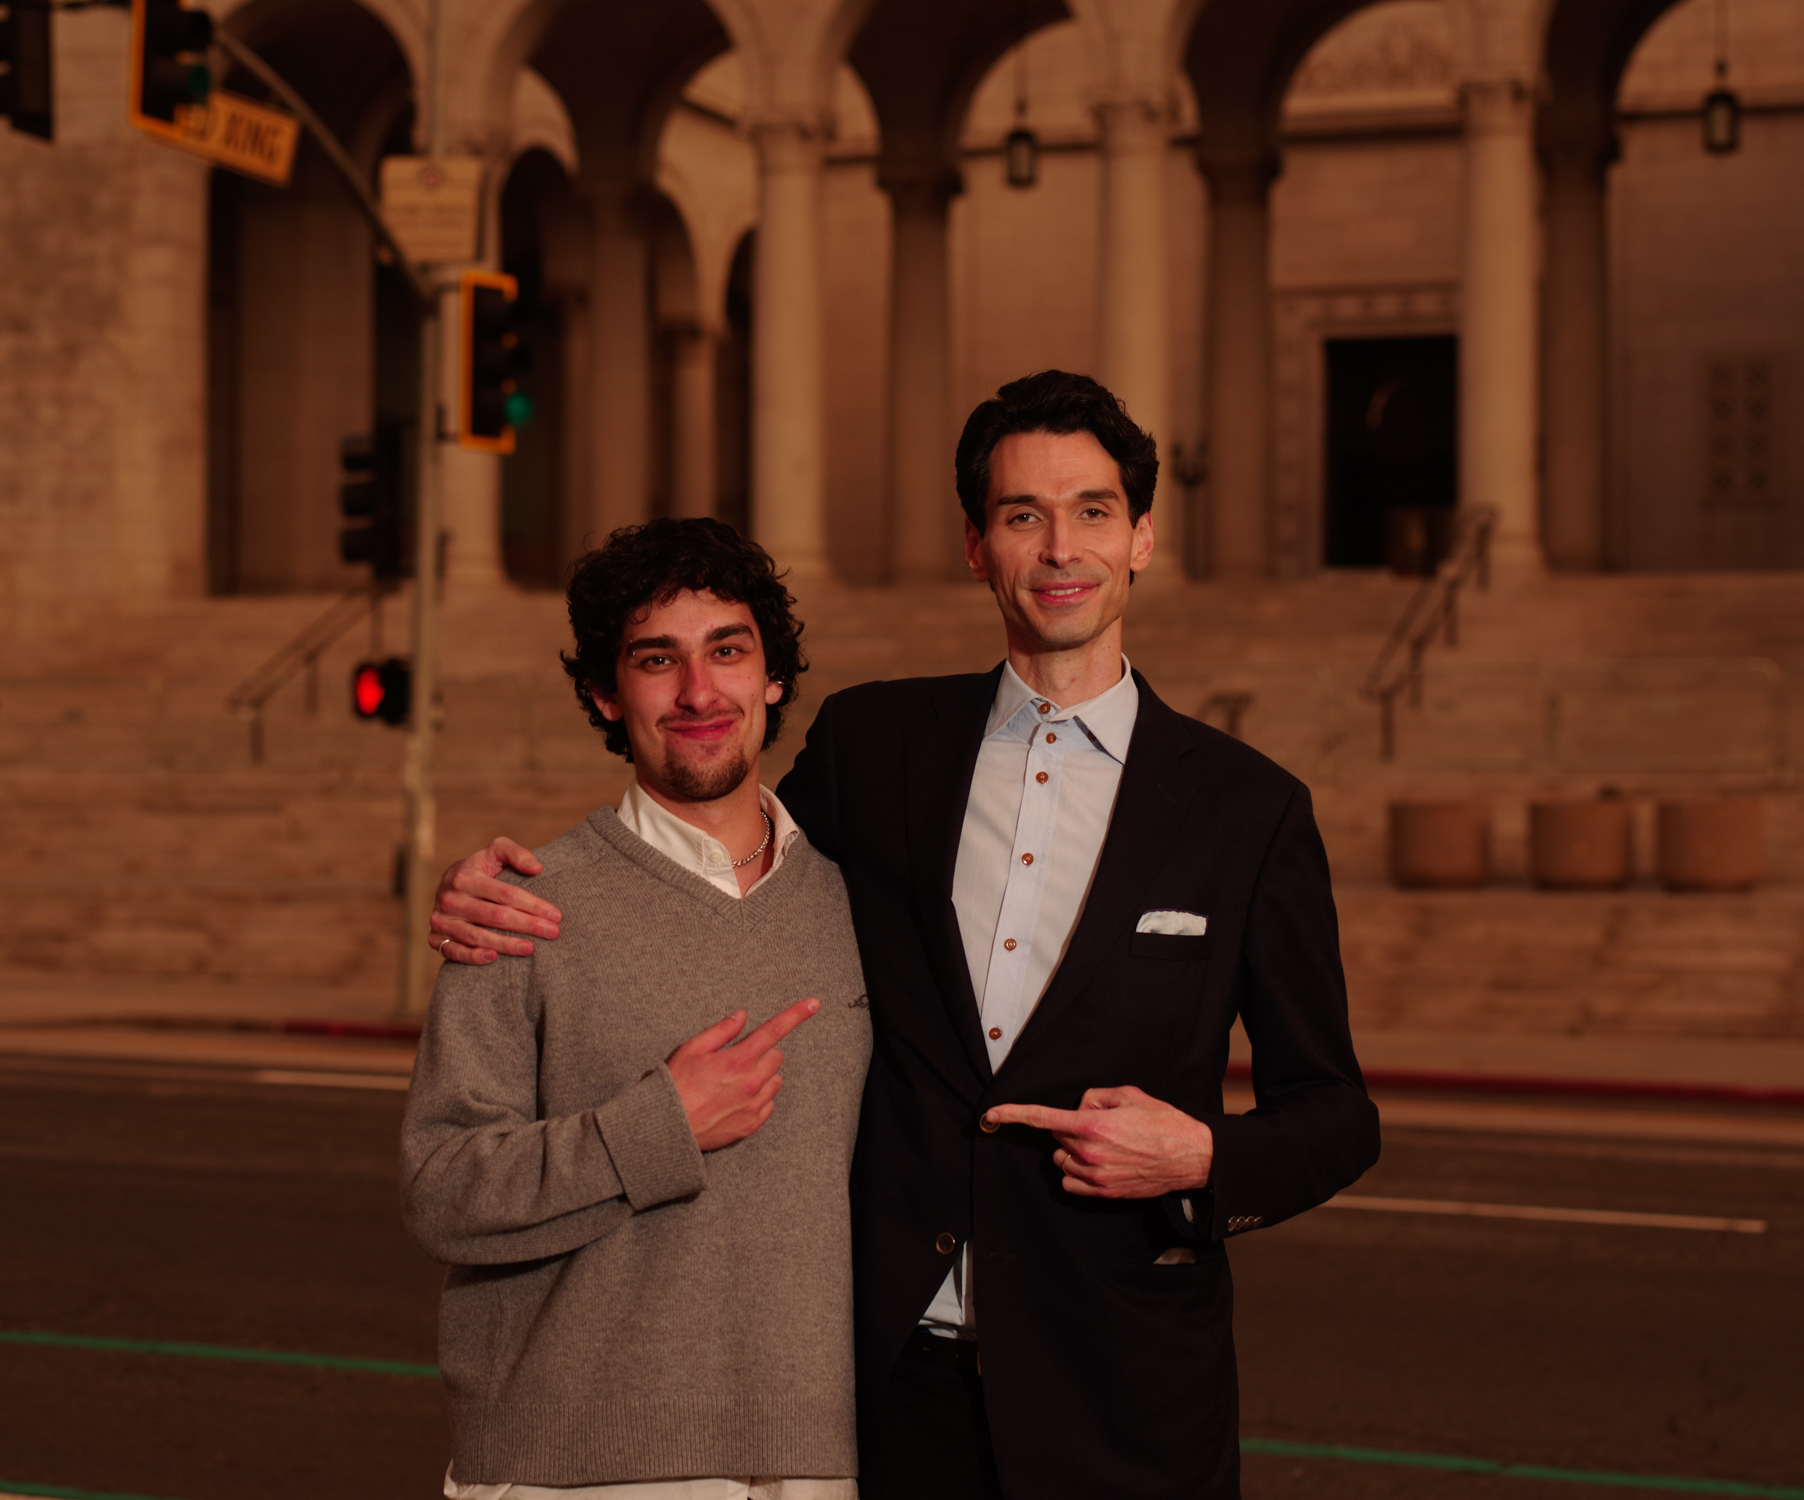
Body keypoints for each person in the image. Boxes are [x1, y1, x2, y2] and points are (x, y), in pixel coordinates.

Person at [429, 371, 1380, 1500]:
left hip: (1121, 1388)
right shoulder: (875, 747)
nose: (1059, 546)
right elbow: (725, 856)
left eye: (1091, 510)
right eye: (1022, 516)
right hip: (882, 1388)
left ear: (1142, 538)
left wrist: (1205, 1157)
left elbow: (1334, 1112)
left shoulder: (1246, 808)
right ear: (979, 547)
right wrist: (499, 884)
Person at [402, 518, 873, 1500]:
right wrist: (657, 1127)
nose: (700, 693)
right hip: (572, 1471)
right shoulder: (524, 907)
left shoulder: (858, 903)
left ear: (773, 677)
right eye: (658, 661)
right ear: (605, 694)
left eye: (728, 652)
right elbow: (442, 1189)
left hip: (813, 1466)